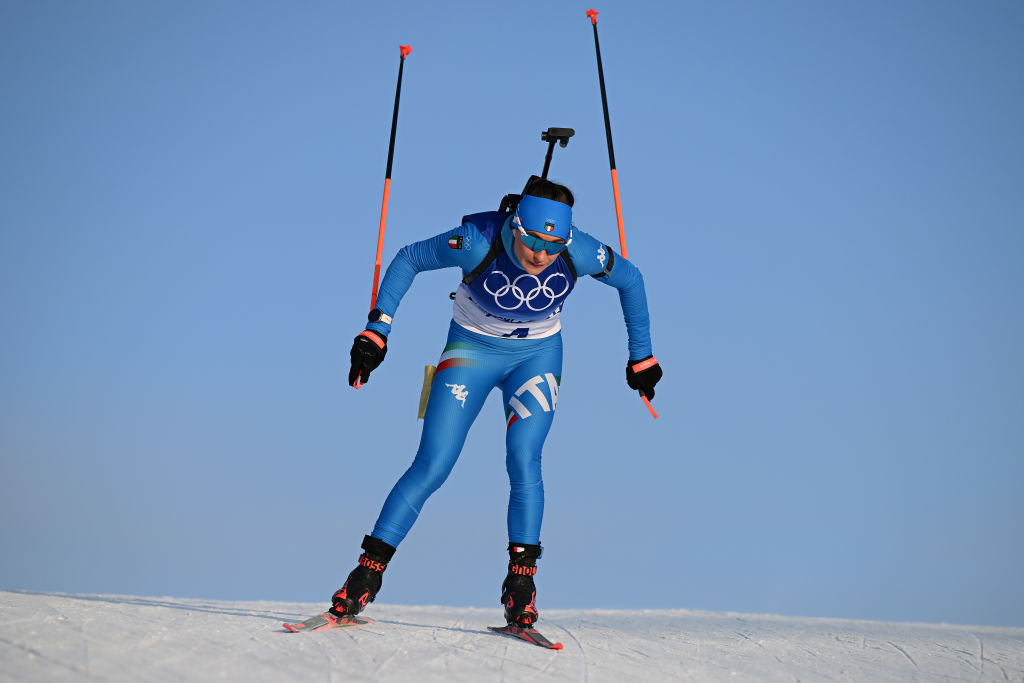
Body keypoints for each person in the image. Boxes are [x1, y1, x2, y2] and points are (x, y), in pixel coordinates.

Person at [333, 177, 661, 628]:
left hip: (537, 356)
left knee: (525, 458)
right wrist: (378, 330)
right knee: (434, 463)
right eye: (533, 243)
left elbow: (632, 280)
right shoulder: (475, 241)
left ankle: (521, 587)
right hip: (471, 352)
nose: (543, 256)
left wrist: (641, 357)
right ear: (516, 226)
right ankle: (365, 576)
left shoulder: (580, 251)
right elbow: (409, 258)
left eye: (554, 246)